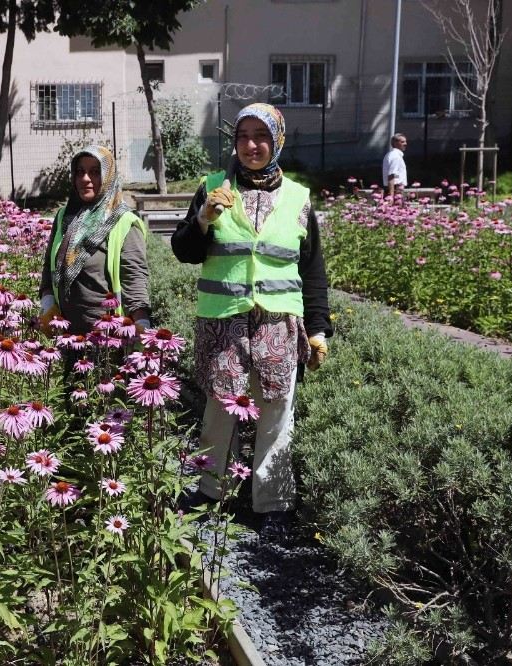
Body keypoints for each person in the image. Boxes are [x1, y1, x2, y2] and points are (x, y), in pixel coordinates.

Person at [171, 103, 332, 536]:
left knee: (276, 411)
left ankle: (272, 503)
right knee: (221, 409)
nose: (251, 145)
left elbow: (312, 269)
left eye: (261, 136)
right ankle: (209, 491)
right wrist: (204, 218)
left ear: (277, 140)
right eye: (243, 136)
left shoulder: (298, 197)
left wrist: (318, 329)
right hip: (224, 323)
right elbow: (185, 252)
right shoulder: (213, 187)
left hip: (279, 324)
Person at [38, 145, 151, 336]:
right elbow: (49, 271)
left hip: (108, 342)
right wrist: (48, 306)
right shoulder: (65, 217)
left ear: (108, 177)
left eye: (95, 172)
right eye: (80, 172)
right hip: (67, 336)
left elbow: (135, 281)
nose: (85, 179)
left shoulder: (124, 222)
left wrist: (143, 328)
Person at [382, 133, 408, 197]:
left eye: (405, 142)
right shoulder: (396, 156)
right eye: (402, 142)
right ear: (395, 143)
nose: (405, 144)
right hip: (395, 190)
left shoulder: (391, 154)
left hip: (394, 188)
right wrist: (391, 196)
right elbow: (391, 175)